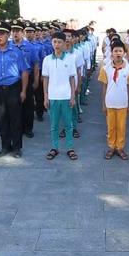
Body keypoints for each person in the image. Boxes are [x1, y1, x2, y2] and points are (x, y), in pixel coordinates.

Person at [0, 20, 30, 158]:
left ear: (8, 34)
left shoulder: (16, 51)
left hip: (13, 88)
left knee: (15, 119)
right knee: (1, 119)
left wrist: (23, 90)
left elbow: (25, 71)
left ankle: (16, 148)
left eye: (2, 34)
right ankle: (5, 147)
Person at [42, 31, 78, 160]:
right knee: (54, 125)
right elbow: (45, 79)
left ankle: (70, 148)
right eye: (54, 42)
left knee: (68, 125)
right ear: (52, 43)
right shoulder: (47, 59)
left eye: (59, 42)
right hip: (53, 97)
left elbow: (72, 79)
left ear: (64, 43)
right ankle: (54, 147)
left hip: (66, 96)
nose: (57, 44)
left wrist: (73, 96)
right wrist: (45, 96)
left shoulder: (69, 58)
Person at [99, 39, 129, 160]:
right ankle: (111, 147)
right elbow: (104, 86)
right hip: (110, 102)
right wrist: (103, 103)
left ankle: (120, 147)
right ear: (112, 53)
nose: (118, 53)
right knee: (111, 126)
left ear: (124, 53)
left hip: (122, 102)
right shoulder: (106, 68)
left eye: (120, 50)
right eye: (115, 51)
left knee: (121, 127)